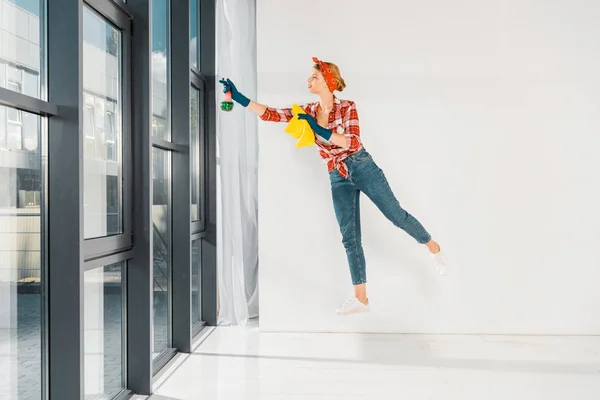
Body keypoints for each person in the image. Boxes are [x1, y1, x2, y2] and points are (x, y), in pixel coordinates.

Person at [219, 57, 448, 315]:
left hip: (362, 166)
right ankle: (361, 297)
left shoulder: (347, 107)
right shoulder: (305, 110)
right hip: (337, 175)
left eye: (314, 77)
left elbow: (351, 141)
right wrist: (238, 97)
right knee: (349, 237)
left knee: (396, 216)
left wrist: (318, 128)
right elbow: (272, 114)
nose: (309, 80)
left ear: (328, 81)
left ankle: (433, 247)